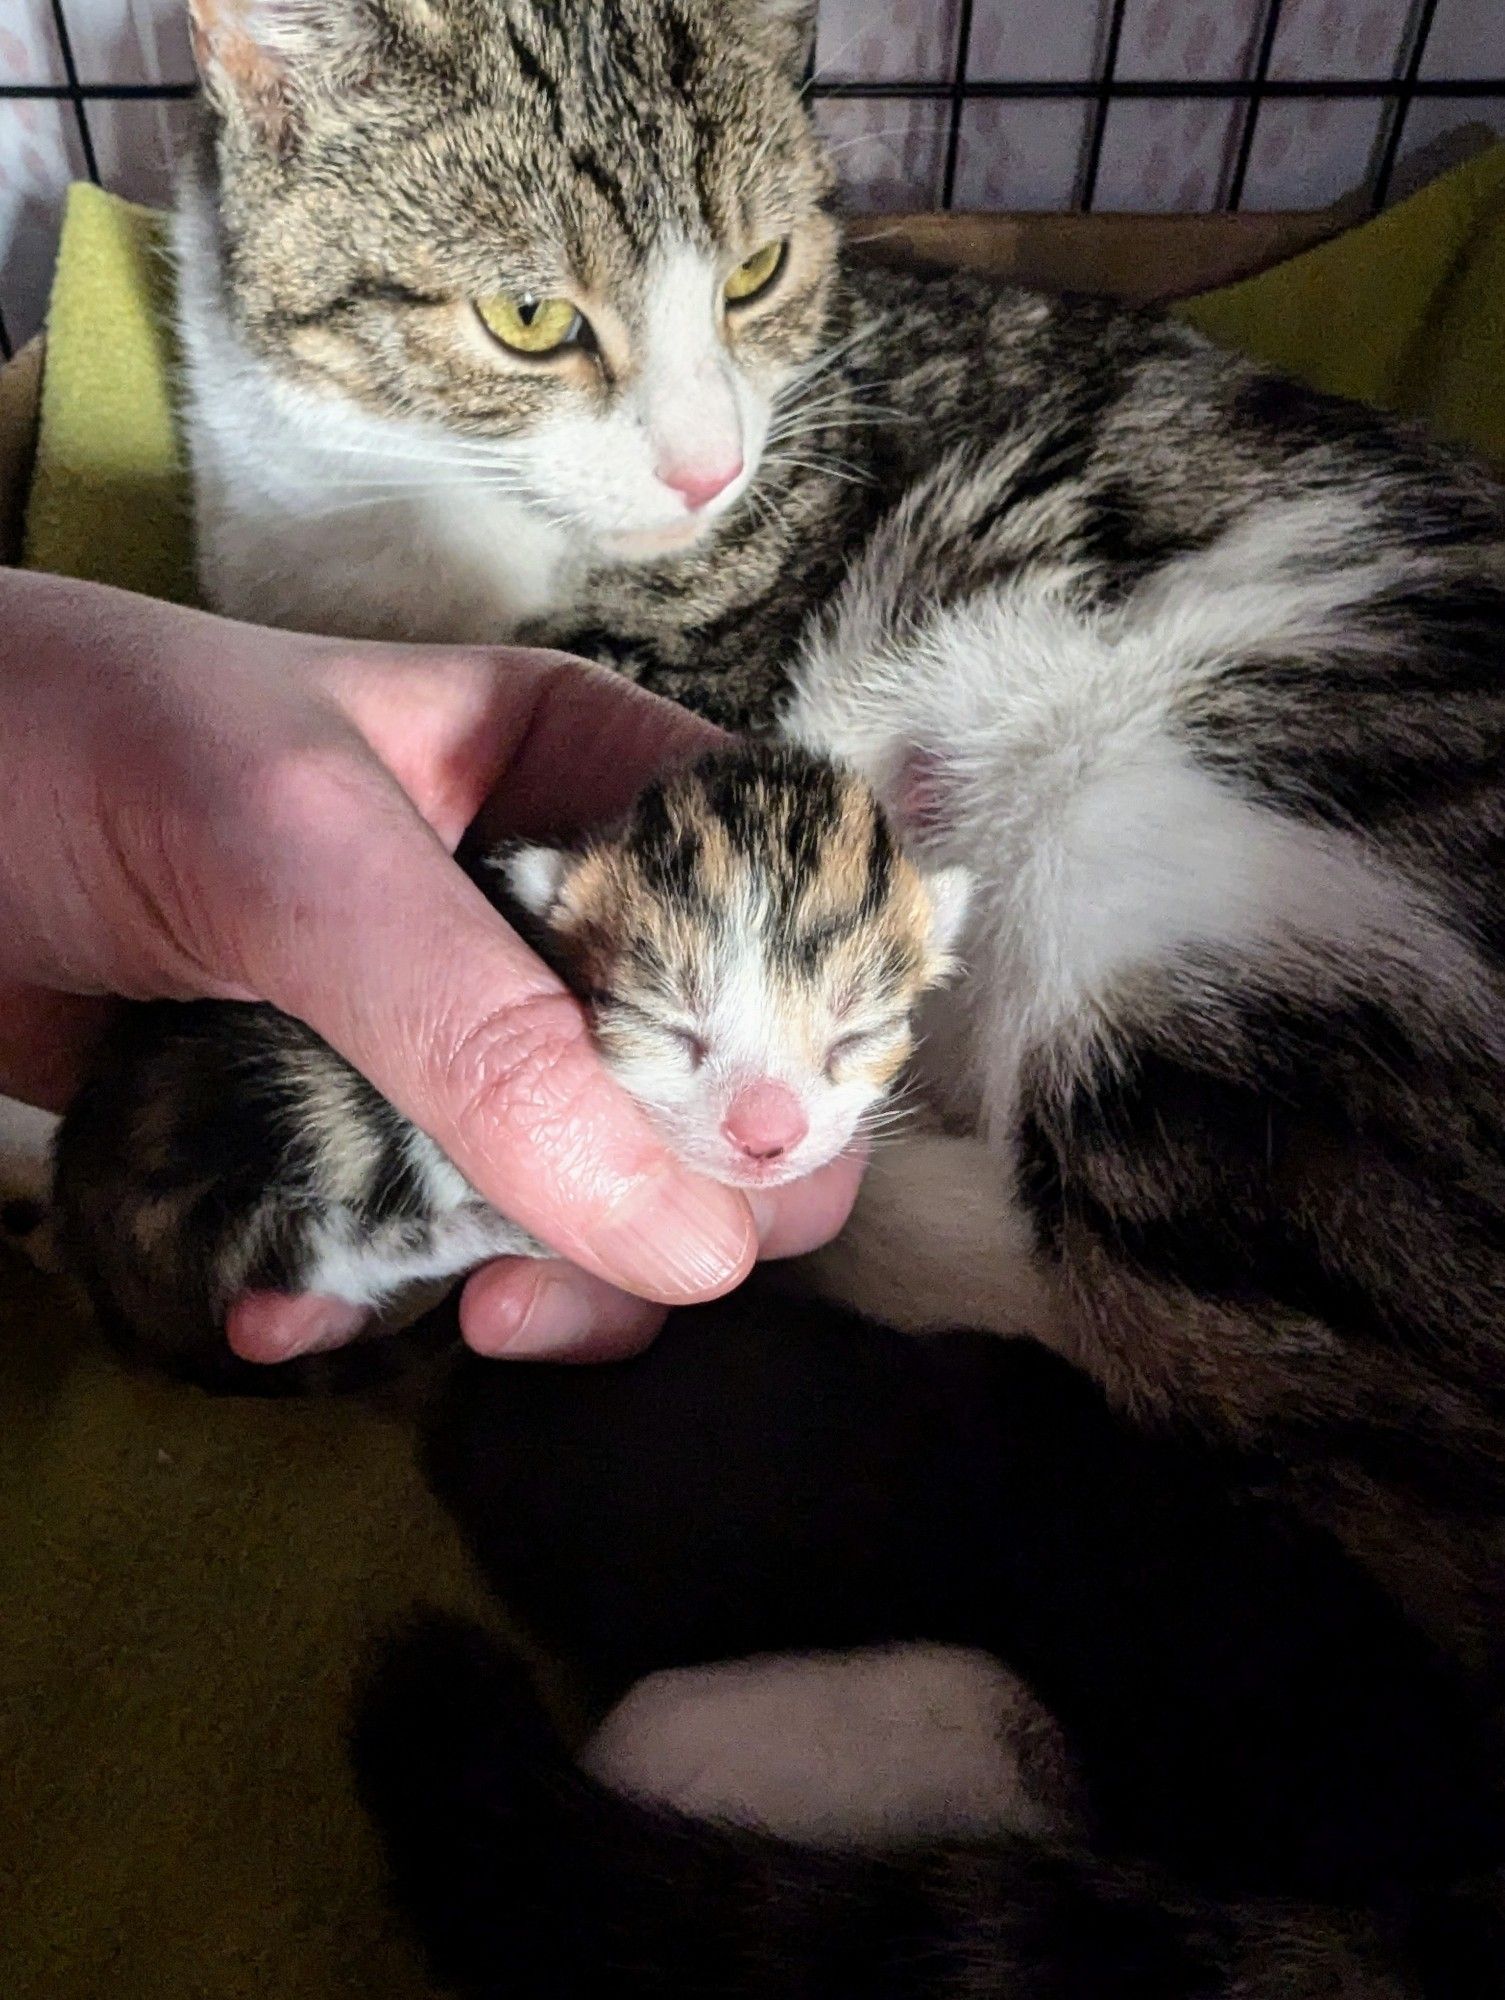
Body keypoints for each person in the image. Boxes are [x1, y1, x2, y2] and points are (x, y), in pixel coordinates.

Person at [0, 569, 863, 1364]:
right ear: (558, 902)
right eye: (678, 1033)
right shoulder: (521, 937)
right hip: (190, 1197)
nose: (771, 1129)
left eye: (853, 1042)